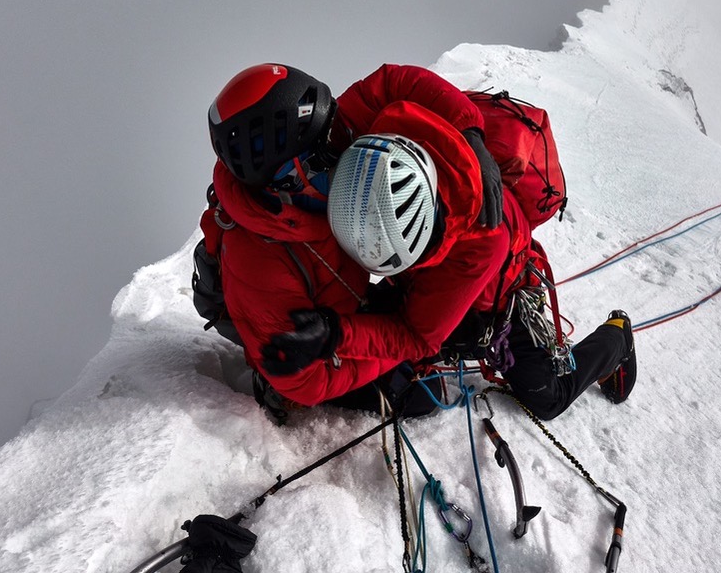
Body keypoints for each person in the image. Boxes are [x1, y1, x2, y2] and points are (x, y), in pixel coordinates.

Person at [264, 102, 637, 421]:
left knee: (547, 397)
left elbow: (417, 336)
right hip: (435, 280)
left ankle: (616, 338)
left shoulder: (482, 242)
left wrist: (336, 335)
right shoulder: (391, 152)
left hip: (502, 301)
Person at [193, 62, 507, 416]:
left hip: (344, 297)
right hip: (279, 318)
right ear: (283, 186)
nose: (345, 158)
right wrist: (333, 337)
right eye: (323, 155)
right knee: (418, 392)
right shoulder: (261, 261)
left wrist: (469, 132)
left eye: (333, 136)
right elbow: (305, 382)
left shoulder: (340, 137)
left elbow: (395, 82)